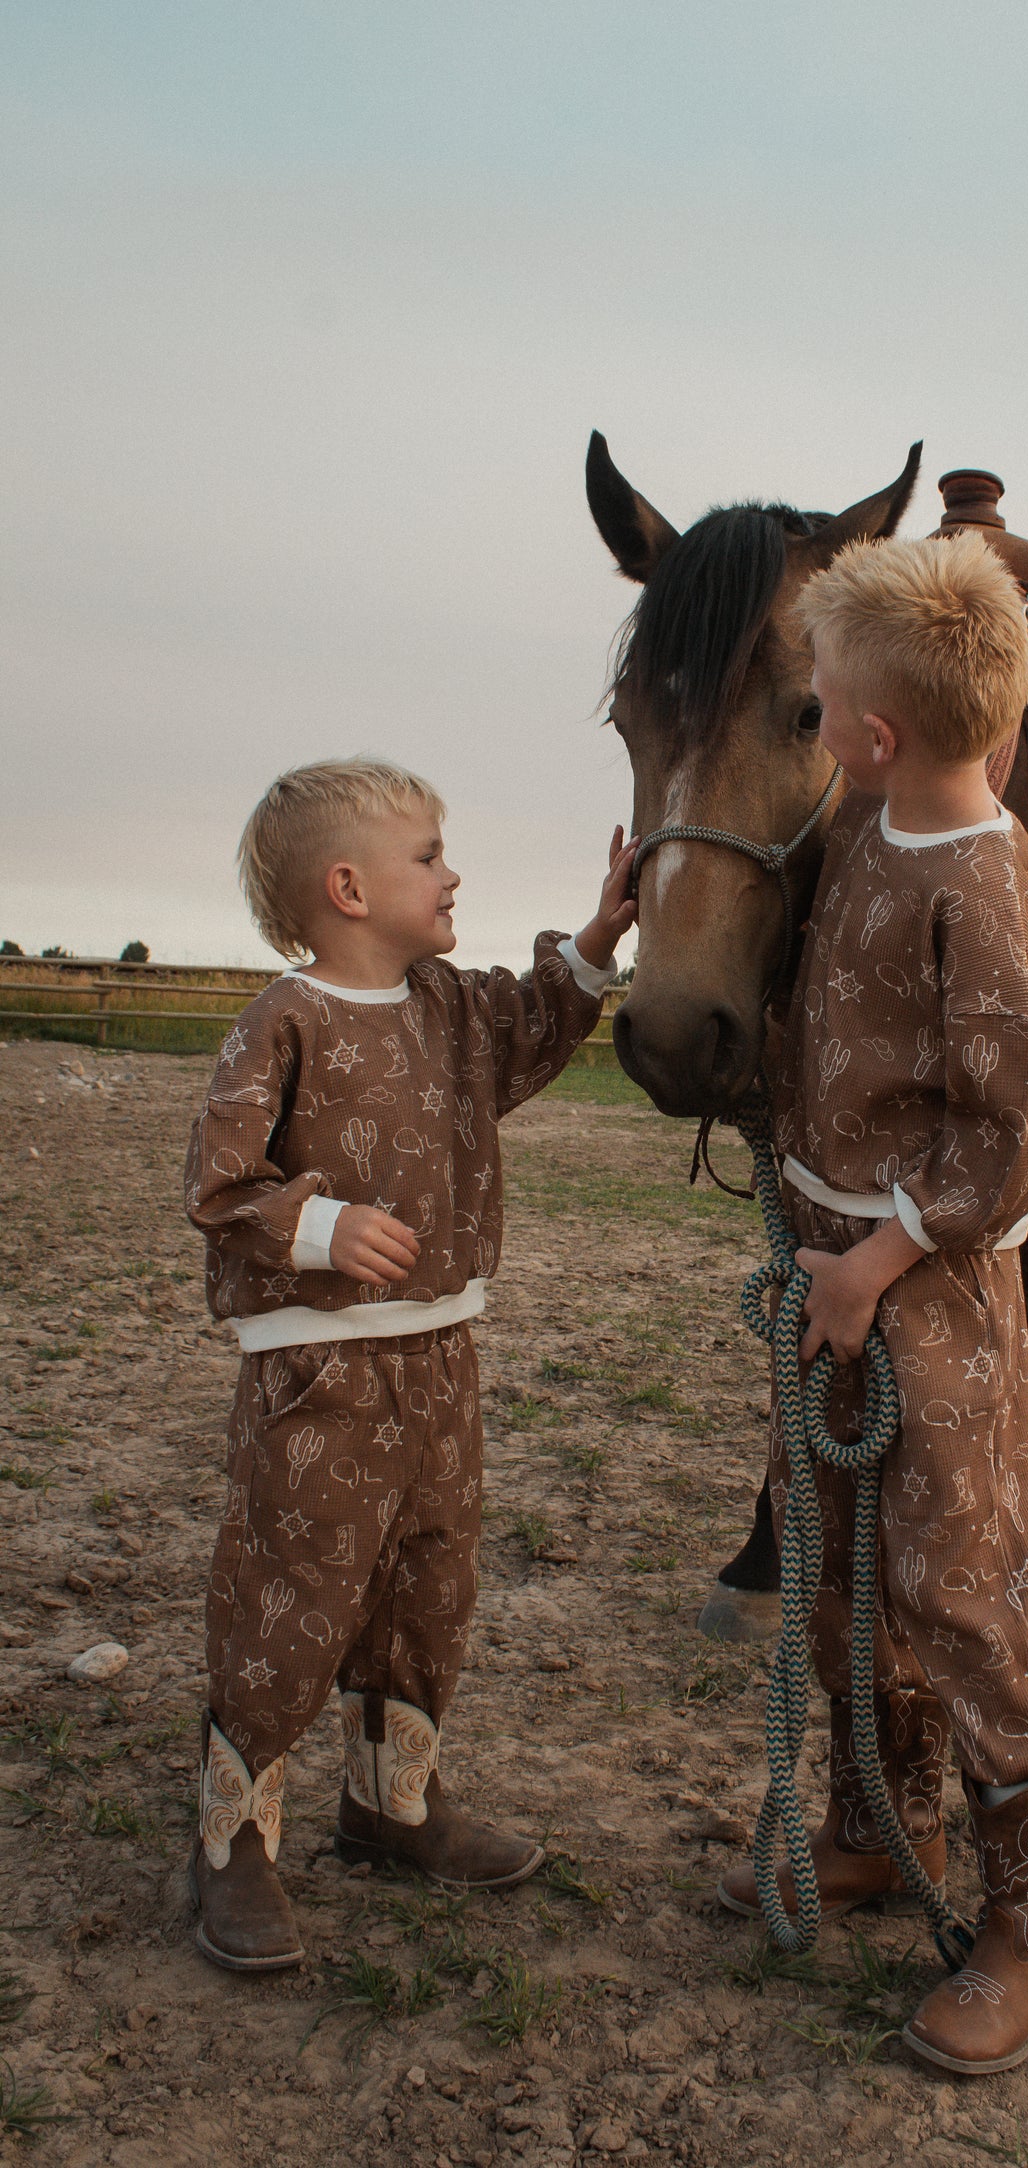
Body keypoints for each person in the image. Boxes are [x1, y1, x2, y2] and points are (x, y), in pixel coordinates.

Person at [717, 534, 1028, 2075]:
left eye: (815, 702)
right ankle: (879, 1828)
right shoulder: (869, 832)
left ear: (874, 734)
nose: (809, 713)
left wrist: (879, 1259)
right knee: (838, 1561)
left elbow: (1022, 1123)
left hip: (923, 1294)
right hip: (831, 1279)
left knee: (962, 1586)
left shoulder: (989, 893)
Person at [183, 757, 635, 1973]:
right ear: (346, 885)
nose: (451, 873)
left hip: (441, 1355)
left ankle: (392, 1802)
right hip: (320, 1371)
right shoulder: (282, 1018)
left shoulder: (451, 1006)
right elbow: (218, 1179)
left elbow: (542, 1019)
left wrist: (602, 927)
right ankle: (234, 1838)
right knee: (296, 1587)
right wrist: (321, 1228)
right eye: (427, 855)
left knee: (427, 1584)